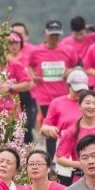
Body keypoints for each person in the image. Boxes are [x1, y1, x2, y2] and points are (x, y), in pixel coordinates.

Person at [27, 20, 75, 157]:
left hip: (64, 96)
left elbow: (76, 65)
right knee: (51, 129)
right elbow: (30, 65)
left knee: (65, 127)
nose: (54, 38)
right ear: (45, 34)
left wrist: (69, 71)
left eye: (56, 35)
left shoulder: (67, 50)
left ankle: (65, 156)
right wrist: (32, 76)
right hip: (45, 98)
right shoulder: (36, 51)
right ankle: (51, 159)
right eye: (51, 35)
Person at [55, 89, 95, 185]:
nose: (91, 106)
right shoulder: (71, 131)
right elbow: (60, 158)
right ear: (79, 106)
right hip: (81, 179)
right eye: (87, 103)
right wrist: (79, 164)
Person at [39, 69, 90, 162]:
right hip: (65, 152)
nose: (79, 93)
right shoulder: (57, 103)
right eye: (76, 90)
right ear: (68, 86)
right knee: (63, 176)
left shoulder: (90, 103)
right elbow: (44, 128)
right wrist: (50, 130)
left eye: (82, 90)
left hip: (87, 150)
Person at [11, 22, 37, 144]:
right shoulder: (2, 59)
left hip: (28, 95)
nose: (13, 45)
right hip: (9, 97)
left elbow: (35, 77)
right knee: (12, 131)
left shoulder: (31, 53)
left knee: (27, 128)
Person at [0, 32, 34, 121]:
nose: (14, 46)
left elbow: (30, 80)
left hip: (23, 94)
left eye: (16, 43)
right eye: (11, 43)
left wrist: (11, 86)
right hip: (0, 101)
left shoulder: (24, 59)